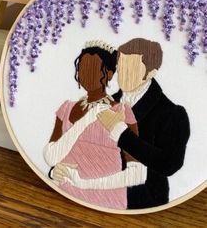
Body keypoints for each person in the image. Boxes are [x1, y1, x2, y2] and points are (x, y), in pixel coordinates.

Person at [43, 41, 146, 210]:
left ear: (110, 74)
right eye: (82, 67)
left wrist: (84, 184)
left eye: (94, 68)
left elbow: (138, 174)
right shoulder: (67, 108)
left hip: (107, 203)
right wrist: (54, 172)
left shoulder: (122, 112)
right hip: (63, 199)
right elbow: (51, 158)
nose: (85, 74)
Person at [97, 38, 190, 209]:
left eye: (131, 68)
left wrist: (121, 133)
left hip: (144, 204)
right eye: (121, 66)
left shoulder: (172, 114)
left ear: (151, 73)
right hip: (95, 195)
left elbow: (169, 164)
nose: (123, 73)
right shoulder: (104, 104)